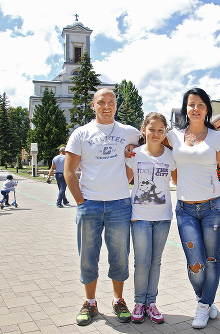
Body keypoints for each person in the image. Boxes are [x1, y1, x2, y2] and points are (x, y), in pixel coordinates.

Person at [64, 88, 141, 326]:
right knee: (88, 257)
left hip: (120, 204)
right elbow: (68, 171)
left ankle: (118, 300)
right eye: (101, 102)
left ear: (116, 104)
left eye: (111, 102)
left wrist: (128, 172)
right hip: (90, 206)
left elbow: (151, 145)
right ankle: (90, 302)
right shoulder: (81, 133)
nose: (106, 106)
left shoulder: (129, 132)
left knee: (119, 256)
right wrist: (80, 201)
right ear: (93, 105)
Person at [166, 88, 220, 329]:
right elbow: (153, 147)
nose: (195, 109)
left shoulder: (217, 138)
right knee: (194, 264)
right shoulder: (174, 136)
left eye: (201, 105)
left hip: (213, 208)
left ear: (207, 110)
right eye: (191, 104)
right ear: (185, 108)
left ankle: (204, 305)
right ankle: (205, 300)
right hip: (185, 209)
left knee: (211, 259)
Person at [125, 112, 177, 324]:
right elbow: (125, 181)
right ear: (144, 130)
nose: (156, 134)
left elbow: (179, 182)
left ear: (165, 132)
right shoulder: (134, 154)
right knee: (141, 262)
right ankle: (139, 302)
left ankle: (151, 303)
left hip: (163, 217)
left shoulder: (171, 156)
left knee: (155, 262)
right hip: (139, 216)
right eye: (152, 129)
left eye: (160, 130)